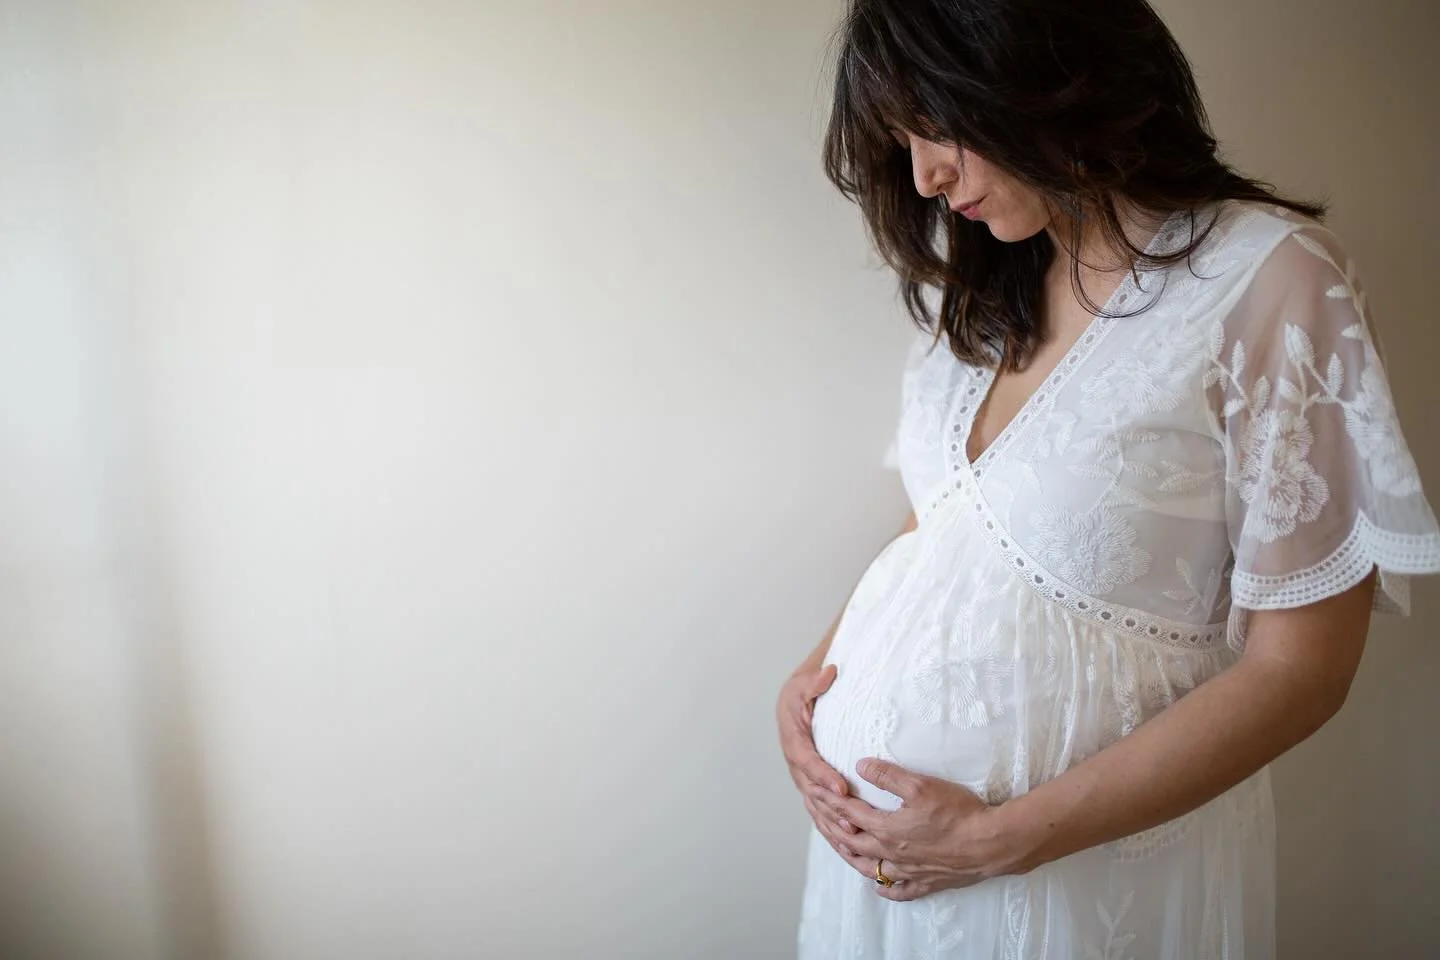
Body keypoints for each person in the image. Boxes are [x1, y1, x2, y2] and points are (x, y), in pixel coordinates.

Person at [775, 0, 1440, 956]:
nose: (923, 175)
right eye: (903, 139)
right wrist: (809, 684)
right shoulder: (977, 301)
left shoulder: (1267, 279)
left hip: (1089, 884)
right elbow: (944, 540)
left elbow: (1302, 670)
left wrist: (999, 841)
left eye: (939, 122)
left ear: (1040, 65)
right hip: (882, 884)